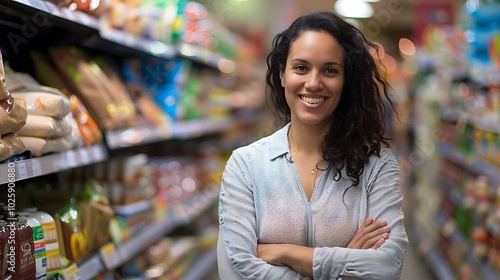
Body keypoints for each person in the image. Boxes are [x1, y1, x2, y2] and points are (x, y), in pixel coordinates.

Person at [217, 11, 408, 280]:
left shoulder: (377, 167)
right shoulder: (246, 165)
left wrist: (286, 253)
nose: (314, 82)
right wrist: (345, 266)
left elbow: (388, 266)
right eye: (301, 68)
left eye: (330, 70)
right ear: (282, 74)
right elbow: (234, 271)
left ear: (346, 81)